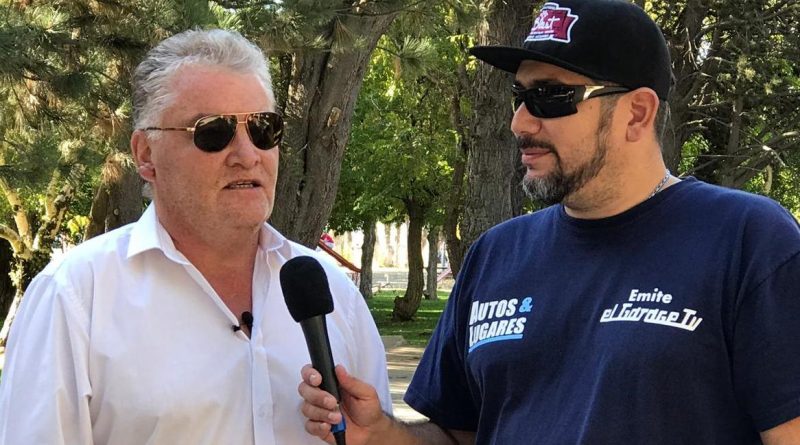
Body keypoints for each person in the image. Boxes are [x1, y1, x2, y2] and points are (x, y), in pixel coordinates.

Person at [297, 1, 800, 444]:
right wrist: (381, 435)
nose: (520, 121)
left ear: (636, 113)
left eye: (551, 96)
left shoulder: (746, 240)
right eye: (518, 96)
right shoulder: (496, 254)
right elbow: (459, 435)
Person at [0, 29, 391, 444]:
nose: (247, 155)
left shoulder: (334, 294)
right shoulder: (76, 296)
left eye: (264, 129)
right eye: (213, 132)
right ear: (146, 155)